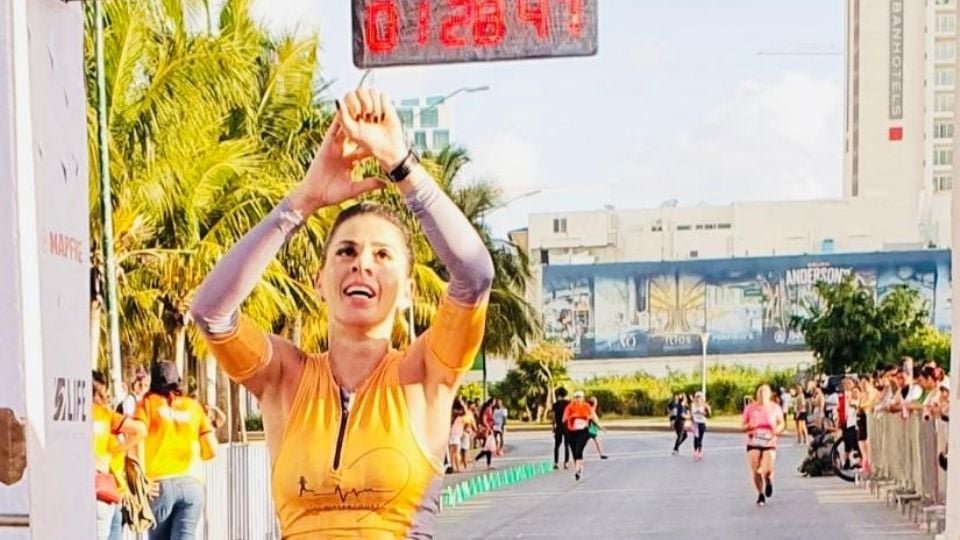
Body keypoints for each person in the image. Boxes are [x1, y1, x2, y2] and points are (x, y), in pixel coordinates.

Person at [190, 88, 494, 538]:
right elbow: (211, 312)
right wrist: (301, 203)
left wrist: (401, 164)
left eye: (383, 256)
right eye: (347, 251)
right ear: (320, 282)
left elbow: (474, 274)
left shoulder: (427, 374)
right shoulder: (283, 379)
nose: (363, 264)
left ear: (408, 292)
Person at [136, 361, 218, 540]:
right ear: (178, 380)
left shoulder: (147, 404)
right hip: (192, 484)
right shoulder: (193, 407)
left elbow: (137, 438)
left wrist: (141, 480)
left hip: (160, 486)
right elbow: (212, 450)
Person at [92, 371, 146, 540]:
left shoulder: (73, 416)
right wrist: (118, 449)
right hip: (110, 491)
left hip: (92, 489)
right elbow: (140, 430)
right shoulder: (106, 416)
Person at [742, 384, 785, 506]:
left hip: (769, 441)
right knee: (755, 469)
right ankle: (760, 494)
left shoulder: (775, 408)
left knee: (768, 468)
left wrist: (776, 430)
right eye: (759, 394)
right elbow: (743, 426)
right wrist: (749, 426)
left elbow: (782, 423)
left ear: (769, 395)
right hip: (753, 440)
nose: (761, 396)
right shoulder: (750, 408)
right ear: (756, 395)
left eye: (764, 393)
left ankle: (768, 480)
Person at [562, 390, 602, 481]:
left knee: (579, 449)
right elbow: (564, 418)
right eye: (576, 397)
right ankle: (579, 467)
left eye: (579, 397)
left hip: (583, 431)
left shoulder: (586, 406)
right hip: (572, 431)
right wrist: (572, 417)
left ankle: (577, 471)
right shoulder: (570, 407)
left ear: (583, 398)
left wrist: (599, 426)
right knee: (574, 451)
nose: (577, 399)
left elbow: (592, 416)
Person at [551, 387, 572, 469]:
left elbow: (553, 417)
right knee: (566, 445)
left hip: (559, 426)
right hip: (567, 426)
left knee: (557, 446)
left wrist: (553, 426)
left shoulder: (555, 405)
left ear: (558, 395)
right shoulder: (569, 404)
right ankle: (566, 463)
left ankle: (556, 463)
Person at [690, 391, 711, 460]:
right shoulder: (693, 405)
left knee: (700, 438)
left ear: (702, 398)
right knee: (696, 438)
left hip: (702, 423)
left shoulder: (704, 405)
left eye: (699, 397)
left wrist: (703, 412)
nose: (698, 399)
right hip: (695, 423)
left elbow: (709, 415)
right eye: (697, 397)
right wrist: (692, 421)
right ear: (695, 398)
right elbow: (691, 414)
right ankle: (695, 451)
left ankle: (700, 451)